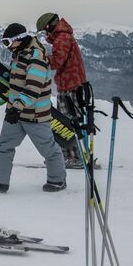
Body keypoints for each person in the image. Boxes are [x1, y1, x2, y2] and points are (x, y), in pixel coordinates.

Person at [0, 23, 67, 193]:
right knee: (5, 145)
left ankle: (58, 180)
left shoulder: (36, 57)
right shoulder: (19, 55)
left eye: (8, 42)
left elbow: (33, 88)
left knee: (48, 149)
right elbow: (15, 85)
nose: (7, 47)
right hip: (16, 113)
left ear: (18, 39)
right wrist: (10, 104)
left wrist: (16, 107)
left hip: (35, 115)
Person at [36, 12, 89, 169]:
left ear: (49, 26)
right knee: (66, 121)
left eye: (44, 31)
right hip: (70, 84)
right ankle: (68, 155)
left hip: (71, 86)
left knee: (68, 122)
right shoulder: (63, 37)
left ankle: (76, 157)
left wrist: (38, 59)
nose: (45, 35)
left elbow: (57, 61)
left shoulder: (62, 38)